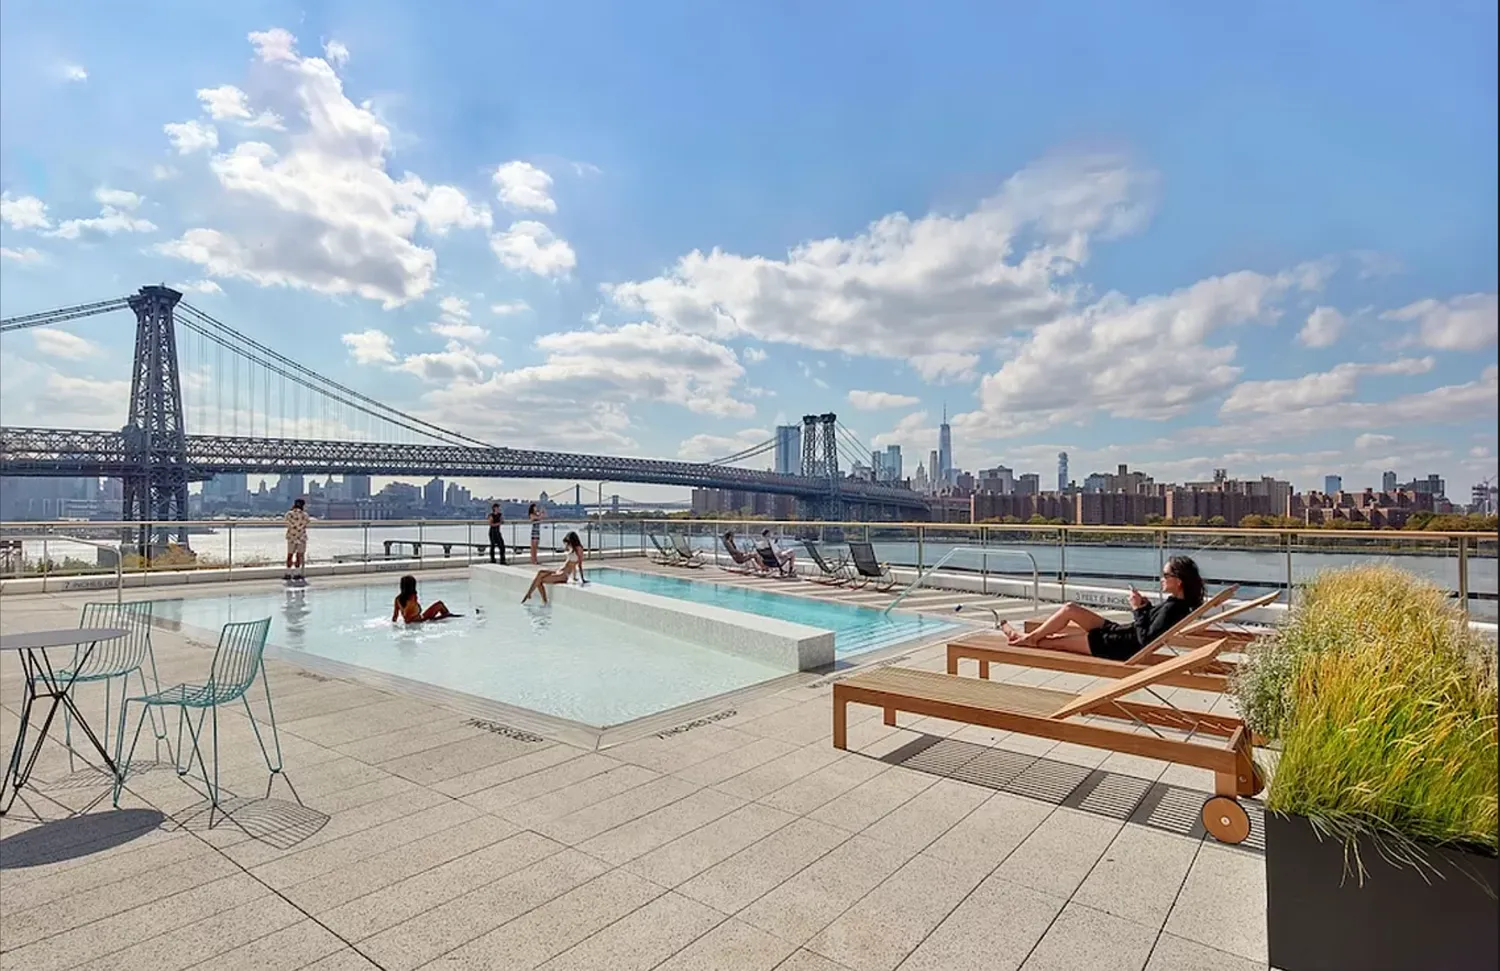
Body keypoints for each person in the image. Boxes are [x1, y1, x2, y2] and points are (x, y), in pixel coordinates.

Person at [1000, 555, 1206, 659]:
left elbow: (1145, 641)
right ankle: (1027, 637)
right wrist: (1146, 607)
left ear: (1179, 581)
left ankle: (1023, 638)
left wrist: (1137, 609)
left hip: (1117, 645)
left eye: (1165, 575)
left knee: (1055, 642)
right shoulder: (1177, 605)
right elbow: (1152, 626)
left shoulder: (1174, 608)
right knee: (1070, 608)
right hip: (1118, 632)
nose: (1162, 579)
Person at [522, 531, 585, 604]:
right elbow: (573, 564)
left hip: (563, 575)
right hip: (559, 570)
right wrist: (574, 577)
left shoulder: (579, 549)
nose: (568, 543)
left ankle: (535, 597)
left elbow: (579, 564)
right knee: (540, 572)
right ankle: (533, 595)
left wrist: (582, 579)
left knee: (539, 580)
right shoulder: (572, 549)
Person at [391, 574, 461, 623]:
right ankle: (448, 615)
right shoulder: (413, 597)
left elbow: (395, 616)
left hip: (411, 622)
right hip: (421, 620)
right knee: (440, 604)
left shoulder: (397, 599)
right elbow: (418, 610)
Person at [283, 498, 310, 583]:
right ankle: (297, 573)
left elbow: (287, 522)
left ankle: (288, 573)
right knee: (299, 555)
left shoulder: (289, 514)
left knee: (289, 555)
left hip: (291, 536)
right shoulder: (305, 515)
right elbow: (306, 523)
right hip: (301, 537)